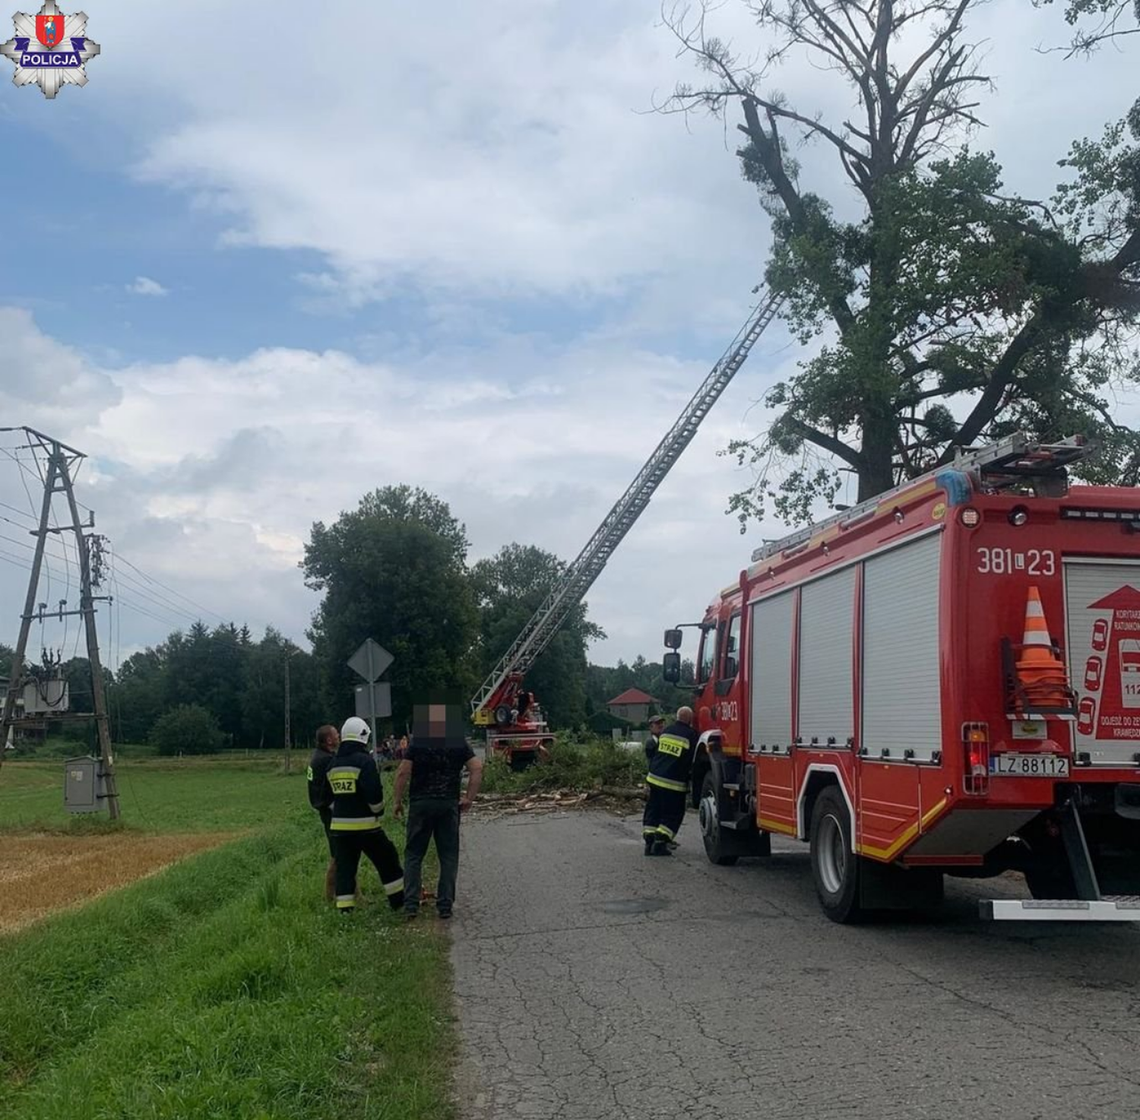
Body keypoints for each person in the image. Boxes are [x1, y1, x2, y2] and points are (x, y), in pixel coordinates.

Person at [393, 702, 484, 921]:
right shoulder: (457, 743)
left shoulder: (417, 743)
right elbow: (477, 768)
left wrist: (397, 801)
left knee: (414, 854)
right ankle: (445, 906)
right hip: (448, 805)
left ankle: (411, 905)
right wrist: (468, 798)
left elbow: (403, 772)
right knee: (448, 855)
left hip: (420, 804)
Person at [329, 716, 406, 914]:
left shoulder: (333, 764)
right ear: (362, 736)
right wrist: (378, 810)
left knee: (345, 870)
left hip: (339, 830)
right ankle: (398, 901)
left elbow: (326, 796)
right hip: (366, 828)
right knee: (387, 859)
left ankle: (345, 911)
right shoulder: (365, 761)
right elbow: (374, 795)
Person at [642, 706, 699, 856]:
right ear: (690, 720)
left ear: (677, 717)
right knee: (673, 813)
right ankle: (660, 842)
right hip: (673, 782)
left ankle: (649, 840)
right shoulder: (691, 735)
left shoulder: (666, 731)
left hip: (654, 778)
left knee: (653, 809)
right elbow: (694, 761)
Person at [306, 724, 340, 900]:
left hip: (325, 810)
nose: (339, 736)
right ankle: (329, 896)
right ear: (328, 740)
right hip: (331, 811)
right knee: (337, 855)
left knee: (341, 853)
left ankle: (354, 893)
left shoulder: (318, 757)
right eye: (336, 734)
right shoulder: (325, 760)